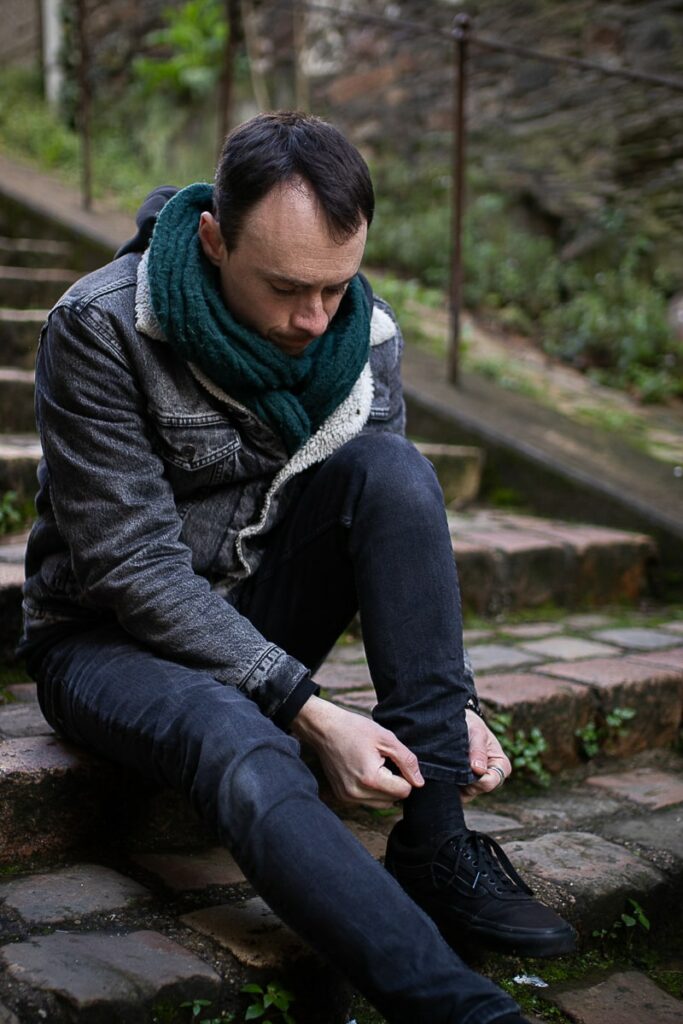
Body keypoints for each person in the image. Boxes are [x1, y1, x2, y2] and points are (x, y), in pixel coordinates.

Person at [20, 111, 575, 1024]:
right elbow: (131, 569)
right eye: (285, 288)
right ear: (213, 238)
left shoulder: (361, 334)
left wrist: (451, 708)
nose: (314, 319)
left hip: (259, 609)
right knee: (240, 736)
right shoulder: (100, 326)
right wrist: (308, 710)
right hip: (106, 640)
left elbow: (383, 521)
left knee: (393, 471)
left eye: (335, 286)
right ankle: (459, 1009)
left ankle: (435, 845)